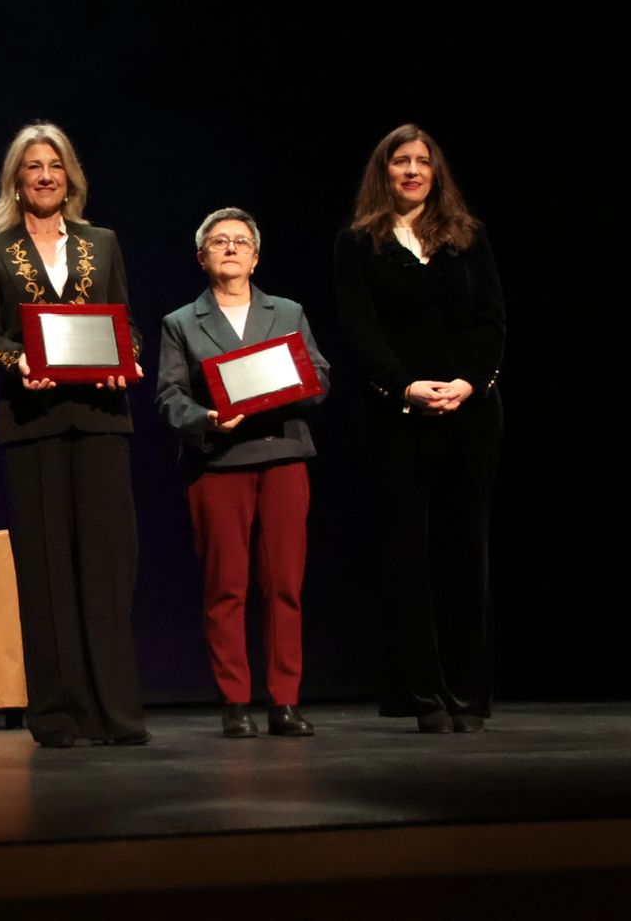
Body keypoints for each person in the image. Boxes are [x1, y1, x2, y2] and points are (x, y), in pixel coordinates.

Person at [0, 122, 148, 748]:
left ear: (70, 177)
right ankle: (58, 715)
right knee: (46, 572)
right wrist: (17, 360)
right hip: (33, 423)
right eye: (33, 167)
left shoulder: (103, 242)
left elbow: (126, 325)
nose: (45, 176)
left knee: (106, 566)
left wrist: (127, 358)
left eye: (55, 166)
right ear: (16, 181)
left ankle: (115, 713)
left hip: (100, 419)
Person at [333, 123, 505, 734]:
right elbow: (359, 327)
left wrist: (469, 383)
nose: (411, 171)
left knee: (466, 549)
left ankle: (468, 694)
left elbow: (492, 320)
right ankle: (422, 694)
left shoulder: (468, 236)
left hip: (469, 411)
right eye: (400, 161)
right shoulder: (359, 242)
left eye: (422, 162)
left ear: (436, 172)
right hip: (397, 414)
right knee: (406, 551)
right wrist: (404, 386)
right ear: (383, 172)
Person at [156, 208, 329, 739]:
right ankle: (234, 701)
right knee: (226, 585)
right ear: (201, 257)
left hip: (282, 456)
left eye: (240, 241)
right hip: (220, 462)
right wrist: (206, 418)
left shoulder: (288, 311)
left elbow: (320, 375)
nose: (230, 248)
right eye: (219, 241)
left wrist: (295, 385)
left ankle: (285, 701)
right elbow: (169, 396)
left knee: (284, 586)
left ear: (255, 258)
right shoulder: (182, 322)